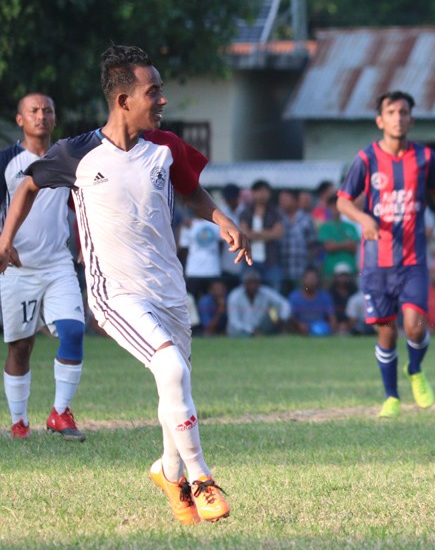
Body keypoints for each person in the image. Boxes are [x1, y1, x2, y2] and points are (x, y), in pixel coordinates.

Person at [0, 45, 250, 524]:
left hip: (169, 291)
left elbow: (191, 190)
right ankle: (202, 479)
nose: (163, 100)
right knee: (172, 370)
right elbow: (29, 184)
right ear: (123, 100)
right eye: (153, 91)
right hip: (115, 295)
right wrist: (5, 239)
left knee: (173, 386)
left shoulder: (165, 148)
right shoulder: (77, 152)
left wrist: (223, 220)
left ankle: (167, 470)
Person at [337, 90, 435, 418]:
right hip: (376, 261)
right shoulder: (366, 159)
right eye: (391, 112)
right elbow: (343, 200)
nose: (398, 117)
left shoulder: (424, 158)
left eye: (403, 112)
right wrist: (363, 218)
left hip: (412, 259)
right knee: (387, 330)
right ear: (380, 120)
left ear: (411, 119)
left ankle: (416, 370)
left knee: (415, 326)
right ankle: (391, 397)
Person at [1, 93, 87, 441]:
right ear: (20, 120)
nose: (41, 115)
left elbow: (82, 202)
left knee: (74, 331)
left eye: (47, 110)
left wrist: (84, 241)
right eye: (33, 111)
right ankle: (19, 422)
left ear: (54, 118)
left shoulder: (66, 158)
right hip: (16, 269)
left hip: (57, 265)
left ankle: (60, 413)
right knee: (20, 347)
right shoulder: (7, 161)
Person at [239, 180, 283, 291]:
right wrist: (268, 233)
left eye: (265, 192)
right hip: (250, 261)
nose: (262, 195)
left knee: (274, 293)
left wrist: (254, 234)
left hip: (270, 261)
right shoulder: (246, 212)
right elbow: (244, 234)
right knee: (248, 292)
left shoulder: (275, 212)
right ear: (253, 193)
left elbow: (278, 234)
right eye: (259, 191)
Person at [226, 269, 291, 336]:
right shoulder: (235, 296)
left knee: (273, 309)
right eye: (250, 282)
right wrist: (251, 331)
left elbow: (284, 304)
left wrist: (282, 318)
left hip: (260, 330)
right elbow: (234, 321)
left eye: (255, 282)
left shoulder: (265, 293)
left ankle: (281, 331)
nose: (253, 285)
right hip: (240, 332)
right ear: (244, 283)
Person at [278, 188, 316, 294]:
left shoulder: (306, 218)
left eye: (285, 199)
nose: (281, 202)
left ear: (294, 201)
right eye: (280, 200)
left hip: (301, 270)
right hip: (282, 270)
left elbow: (313, 245)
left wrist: (310, 267)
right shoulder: (278, 218)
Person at [317, 194, 360, 278]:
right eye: (332, 206)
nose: (335, 208)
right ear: (328, 208)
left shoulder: (351, 226)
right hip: (330, 271)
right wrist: (347, 244)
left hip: (350, 270)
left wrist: (336, 244)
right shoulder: (324, 227)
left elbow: (354, 248)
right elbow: (329, 247)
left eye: (337, 205)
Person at [287, 267, 335, 336]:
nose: (311, 281)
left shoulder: (325, 297)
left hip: (322, 331)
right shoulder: (295, 297)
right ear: (303, 280)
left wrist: (331, 330)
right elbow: (291, 317)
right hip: (300, 332)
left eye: (314, 279)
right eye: (309, 278)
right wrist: (298, 325)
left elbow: (332, 317)